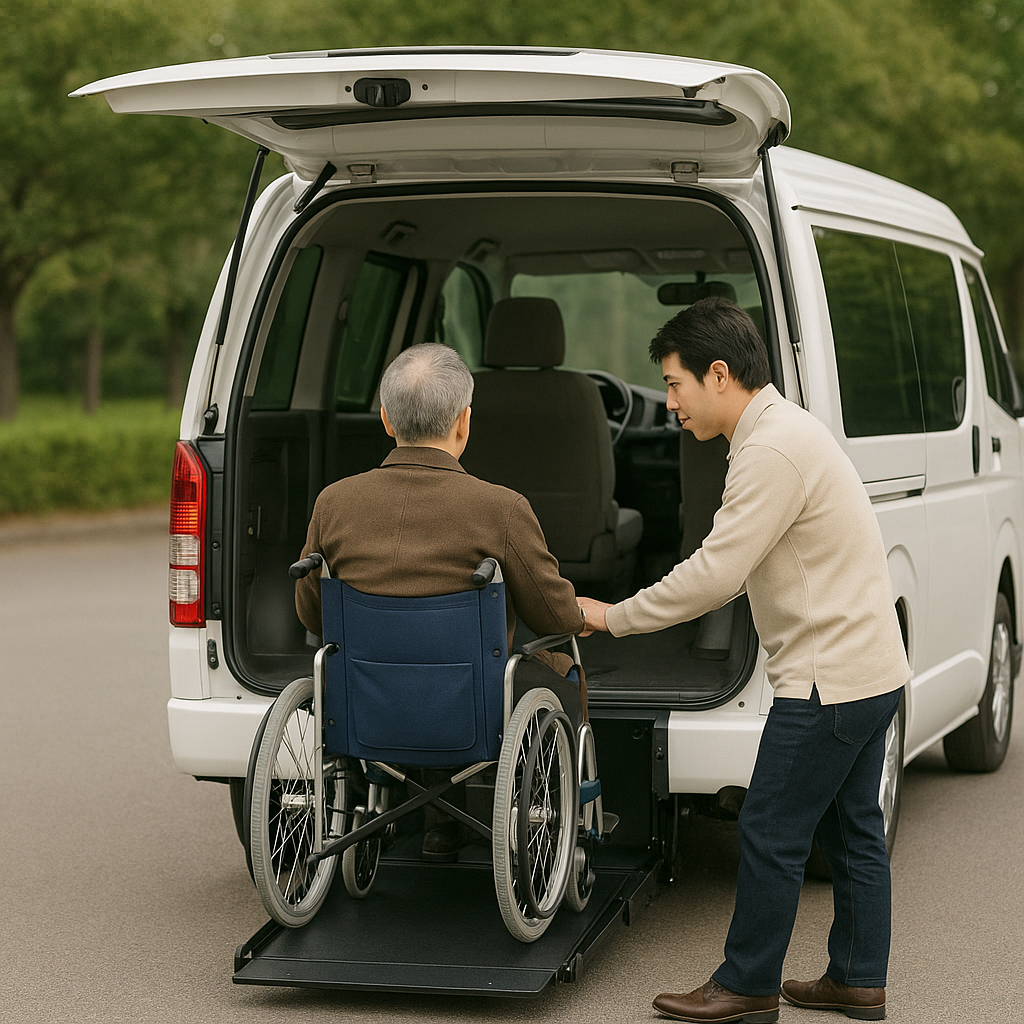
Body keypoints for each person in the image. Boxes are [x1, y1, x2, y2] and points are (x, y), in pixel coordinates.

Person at [578, 296, 909, 1024]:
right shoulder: (784, 432)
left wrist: (614, 616)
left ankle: (747, 985)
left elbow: (716, 574)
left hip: (829, 681)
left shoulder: (768, 450)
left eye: (675, 384)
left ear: (719, 373)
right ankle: (856, 979)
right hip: (870, 670)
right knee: (853, 828)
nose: (669, 405)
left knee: (768, 826)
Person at [295, 343, 586, 858]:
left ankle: (435, 825)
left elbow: (310, 610)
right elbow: (554, 616)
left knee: (402, 667)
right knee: (559, 666)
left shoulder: (334, 503)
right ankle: (560, 821)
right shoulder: (501, 508)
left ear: (386, 419)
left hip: (364, 702)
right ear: (464, 422)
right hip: (469, 707)